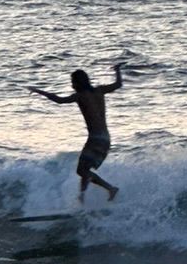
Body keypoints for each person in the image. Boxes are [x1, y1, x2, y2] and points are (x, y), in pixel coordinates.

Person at [29, 63, 123, 201]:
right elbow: (118, 84)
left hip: (95, 138)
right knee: (85, 169)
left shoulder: (80, 96)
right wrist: (118, 70)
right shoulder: (100, 90)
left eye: (72, 81)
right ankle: (82, 198)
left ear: (77, 83)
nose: (72, 84)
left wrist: (39, 91)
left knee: (82, 170)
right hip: (106, 138)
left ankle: (110, 189)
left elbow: (59, 100)